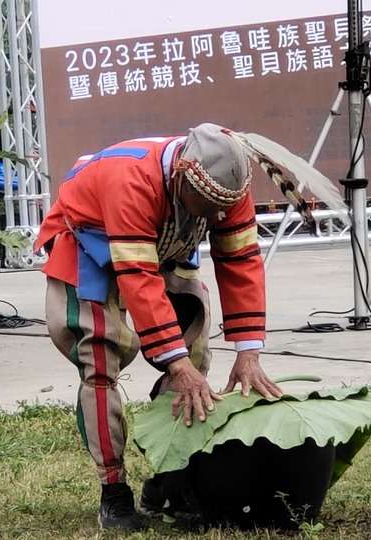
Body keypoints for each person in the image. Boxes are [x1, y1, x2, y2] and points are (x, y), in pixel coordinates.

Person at [34, 122, 283, 531]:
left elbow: (240, 259)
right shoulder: (131, 180)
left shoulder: (226, 185)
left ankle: (168, 477)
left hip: (166, 243)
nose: (218, 215)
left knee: (196, 348)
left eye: (225, 206)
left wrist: (248, 351)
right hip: (89, 243)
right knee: (99, 359)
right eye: (208, 204)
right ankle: (113, 491)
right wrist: (175, 364)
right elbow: (137, 276)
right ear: (182, 175)